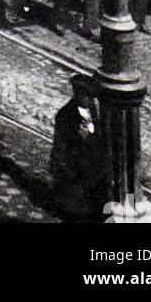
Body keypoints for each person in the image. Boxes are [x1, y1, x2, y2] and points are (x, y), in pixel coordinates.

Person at [49, 74, 105, 221]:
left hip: (92, 175)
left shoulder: (91, 109)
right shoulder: (66, 115)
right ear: (78, 94)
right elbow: (60, 152)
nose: (91, 100)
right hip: (75, 177)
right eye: (87, 96)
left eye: (92, 97)